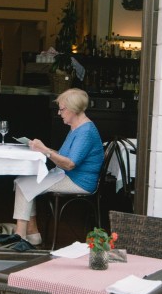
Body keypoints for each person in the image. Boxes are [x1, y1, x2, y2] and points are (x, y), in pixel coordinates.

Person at [10, 88, 104, 246]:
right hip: (68, 175)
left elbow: (70, 163)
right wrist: (42, 149)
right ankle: (32, 234)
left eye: (61, 109)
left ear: (73, 110)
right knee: (24, 181)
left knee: (23, 184)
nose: (59, 113)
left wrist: (45, 150)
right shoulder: (77, 127)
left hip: (79, 181)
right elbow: (63, 156)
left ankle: (21, 237)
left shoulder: (85, 131)